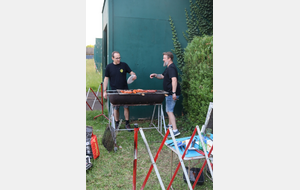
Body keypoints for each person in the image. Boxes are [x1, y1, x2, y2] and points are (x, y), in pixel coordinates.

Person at [103, 51, 137, 132]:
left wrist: (134, 75)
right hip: (114, 91)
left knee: (126, 107)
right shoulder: (109, 67)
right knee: (116, 107)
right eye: (117, 58)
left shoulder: (124, 65)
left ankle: (127, 124)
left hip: (125, 90)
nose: (118, 59)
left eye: (119, 57)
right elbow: (106, 78)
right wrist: (104, 91)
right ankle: (117, 123)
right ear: (112, 58)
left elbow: (131, 72)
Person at [150, 52, 181, 137]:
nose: (163, 59)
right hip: (170, 93)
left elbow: (174, 80)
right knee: (170, 110)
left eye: (164, 58)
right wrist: (156, 75)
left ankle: (175, 130)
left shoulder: (171, 68)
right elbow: (162, 76)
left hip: (171, 93)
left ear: (169, 58)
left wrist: (174, 92)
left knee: (169, 111)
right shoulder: (168, 68)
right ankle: (170, 126)